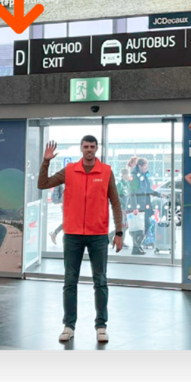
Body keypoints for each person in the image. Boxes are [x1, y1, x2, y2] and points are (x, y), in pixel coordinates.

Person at [38, 136, 123, 344]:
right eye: (86, 147)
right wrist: (46, 161)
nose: (89, 150)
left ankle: (101, 326)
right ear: (81, 148)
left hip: (98, 235)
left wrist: (119, 232)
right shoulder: (69, 171)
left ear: (97, 148)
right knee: (70, 282)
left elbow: (115, 202)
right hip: (73, 235)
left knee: (100, 281)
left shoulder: (106, 171)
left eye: (92, 147)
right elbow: (43, 184)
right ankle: (68, 326)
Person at [130, 158, 162, 255]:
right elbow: (132, 193)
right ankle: (136, 247)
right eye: (144, 166)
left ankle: (137, 246)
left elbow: (148, 189)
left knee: (146, 225)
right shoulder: (134, 177)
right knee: (140, 226)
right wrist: (134, 207)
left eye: (146, 167)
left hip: (146, 204)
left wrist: (159, 194)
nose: (145, 168)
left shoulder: (144, 176)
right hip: (139, 206)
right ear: (139, 166)